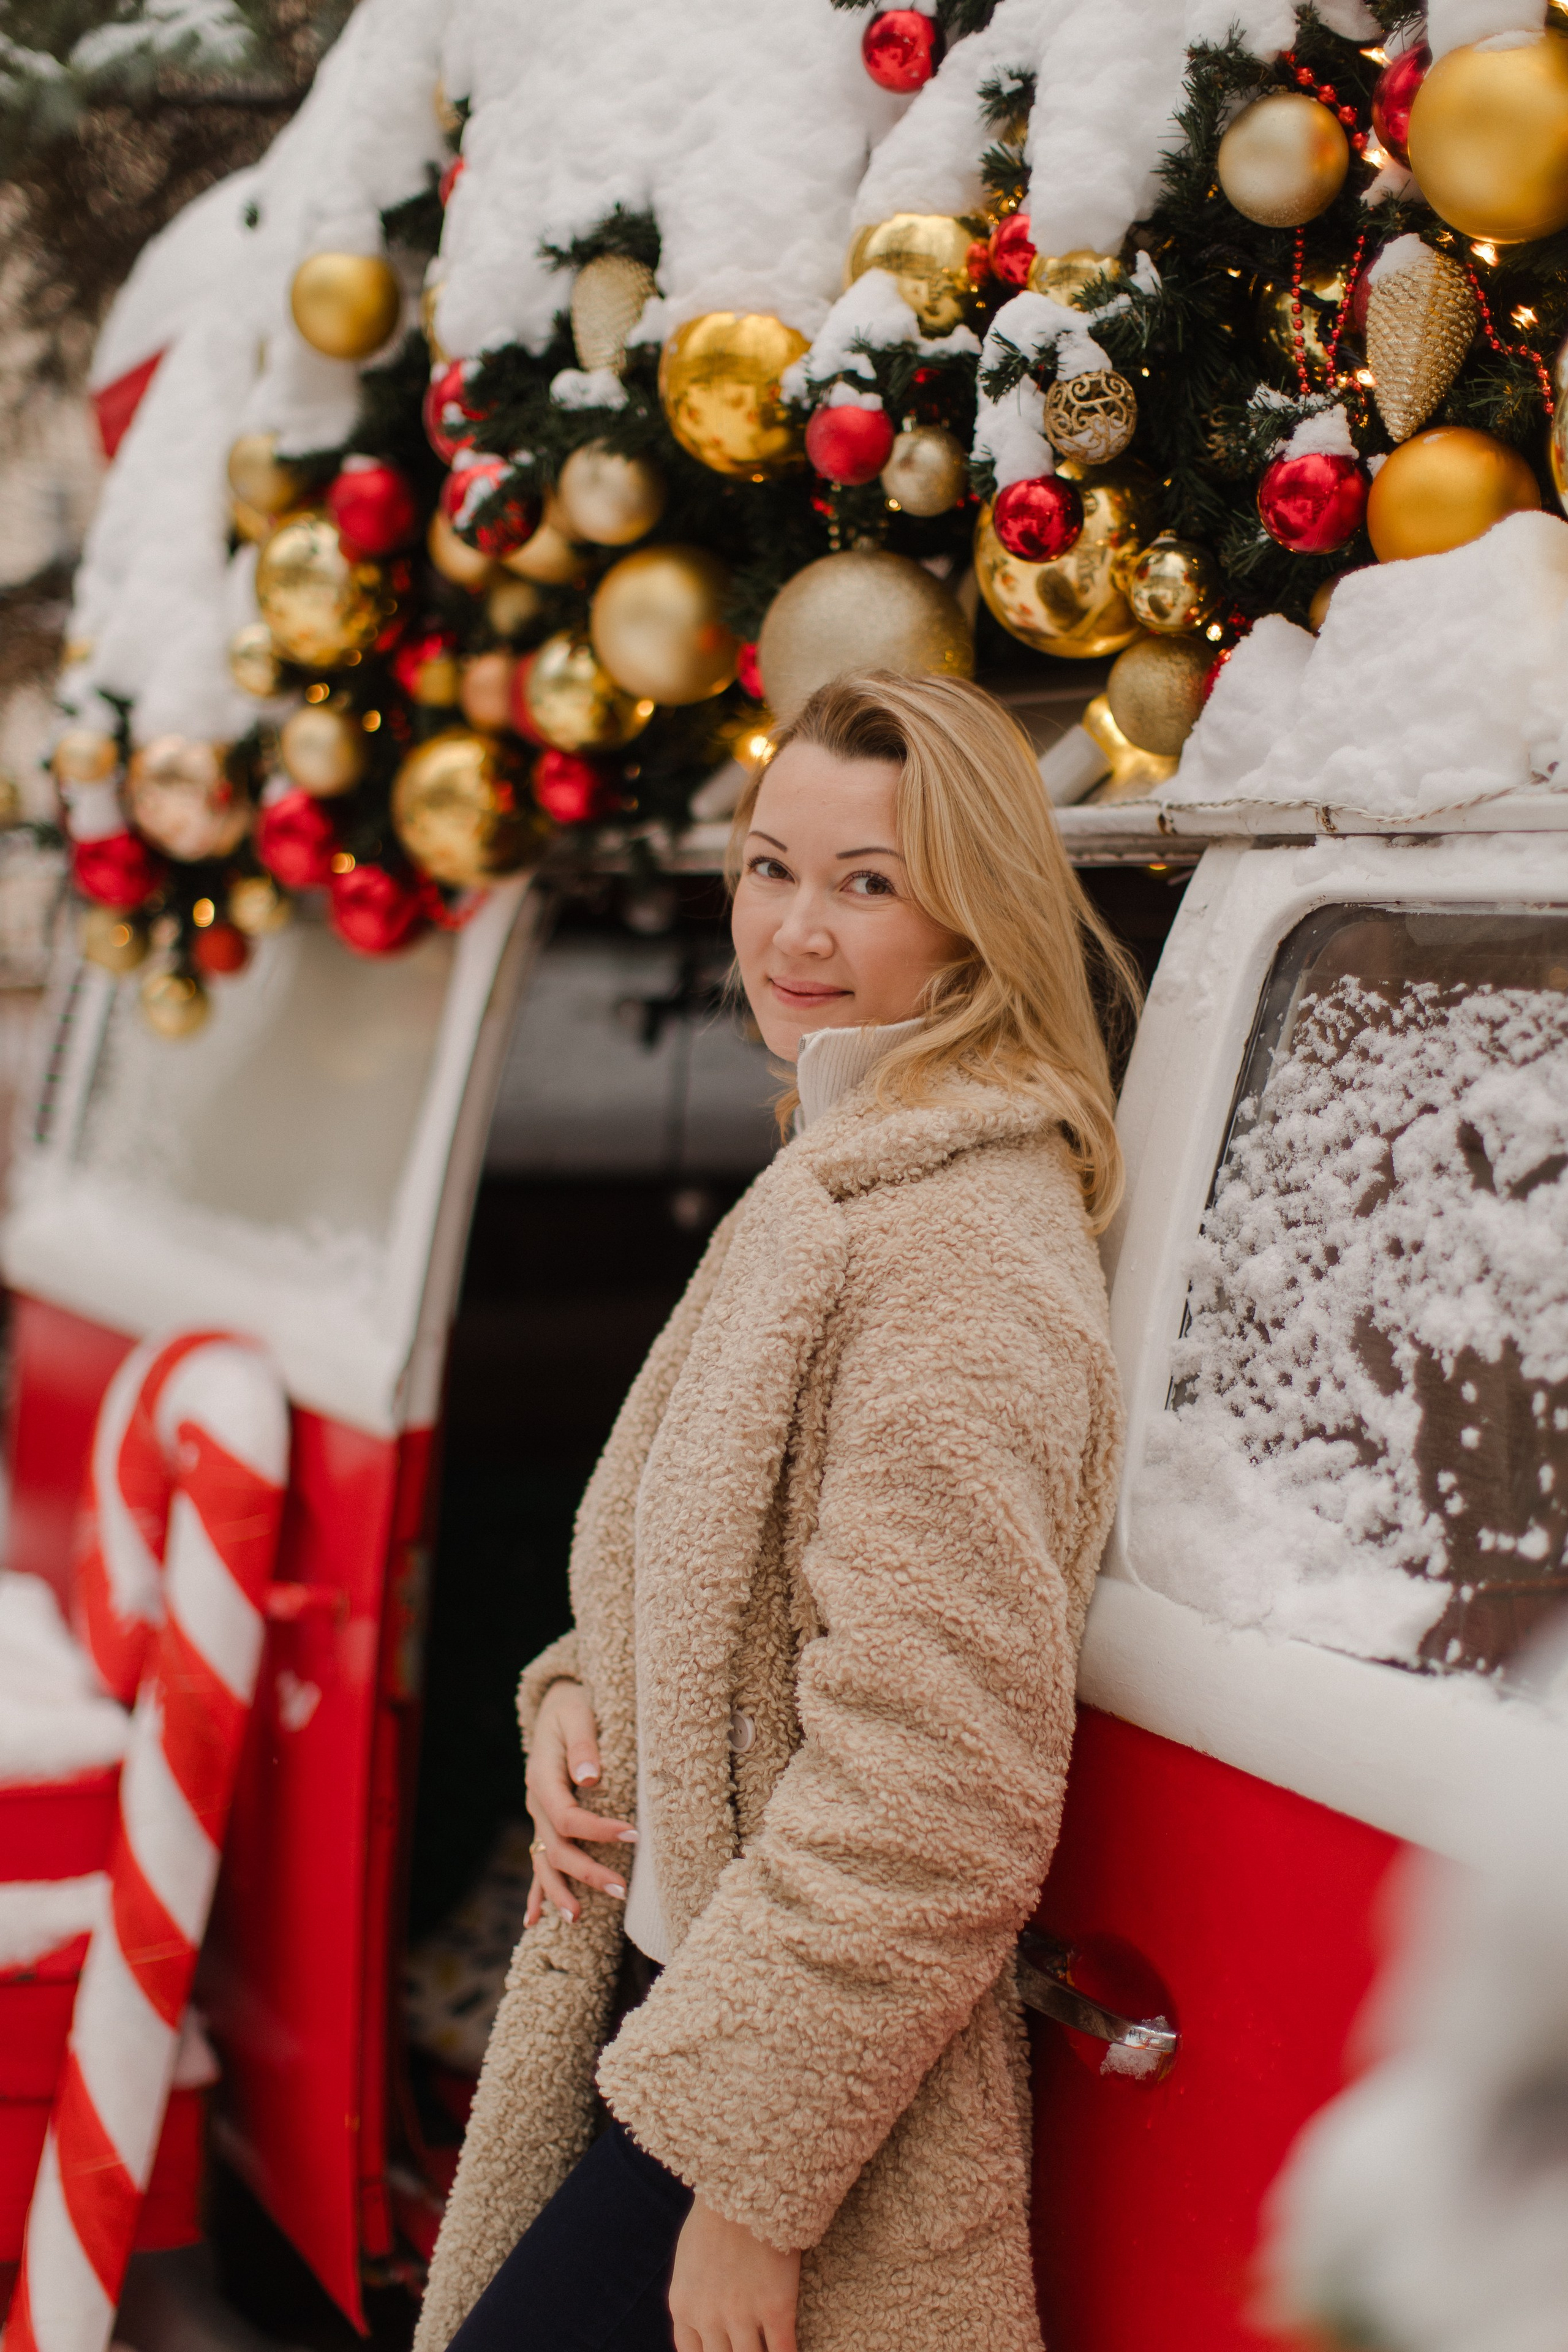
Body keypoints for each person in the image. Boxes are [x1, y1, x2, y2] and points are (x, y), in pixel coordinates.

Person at [415, 671, 1136, 2352]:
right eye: (766, 866)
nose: (793, 930)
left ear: (977, 914)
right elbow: (714, 1569)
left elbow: (939, 1787)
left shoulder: (961, 1251)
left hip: (769, 2092)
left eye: (868, 881)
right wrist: (580, 1691)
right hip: (685, 2008)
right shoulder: (833, 1170)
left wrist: (743, 2194)